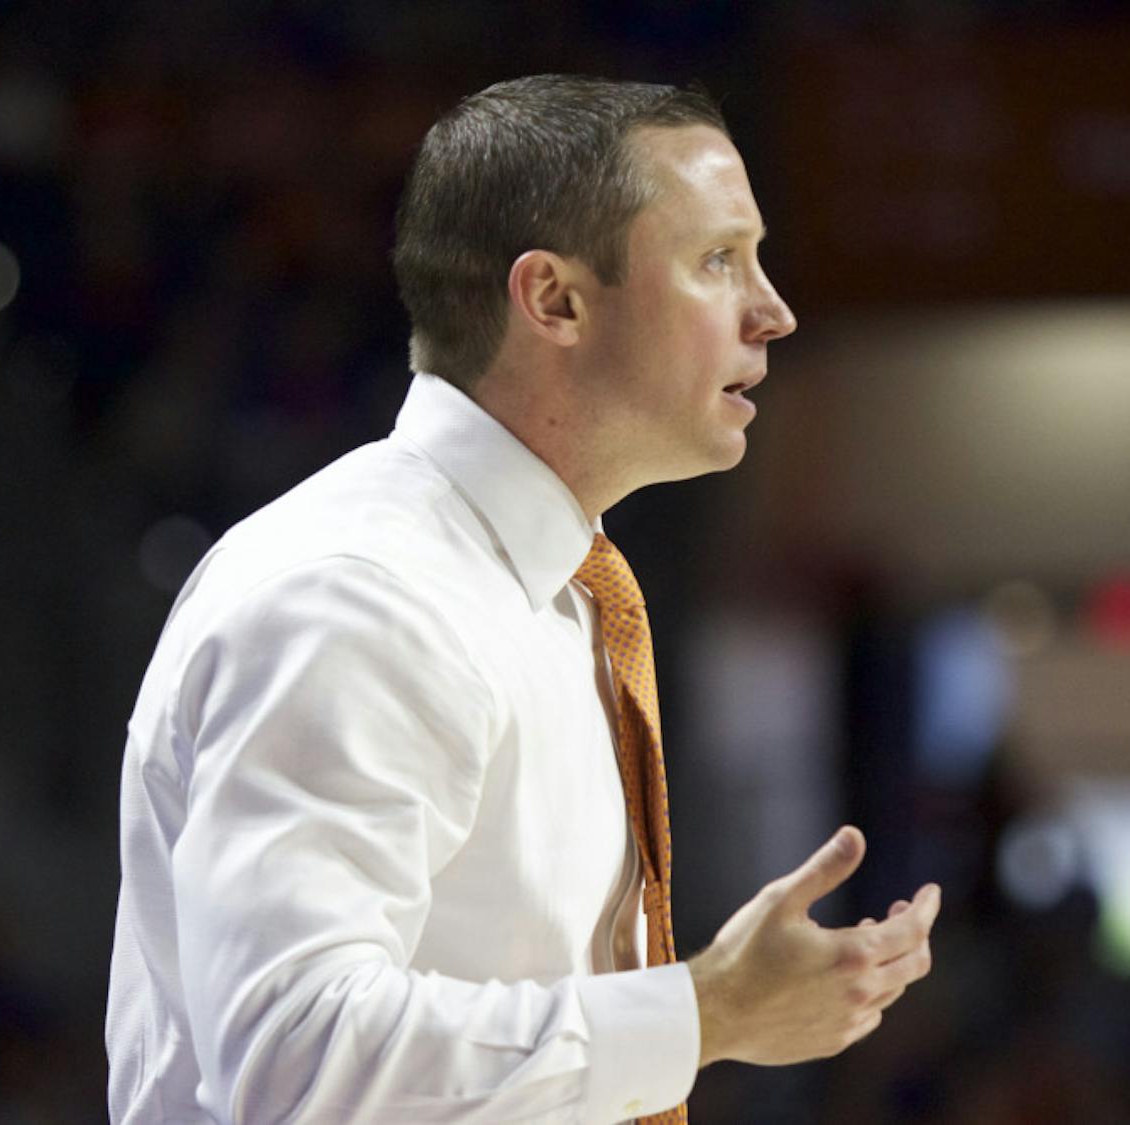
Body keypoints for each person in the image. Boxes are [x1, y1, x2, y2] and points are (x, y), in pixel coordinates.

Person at [106, 74, 940, 1124]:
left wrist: (704, 1014)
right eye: (718, 260)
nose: (772, 311)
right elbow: (295, 1059)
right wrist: (706, 1015)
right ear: (554, 299)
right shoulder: (354, 596)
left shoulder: (555, 586)